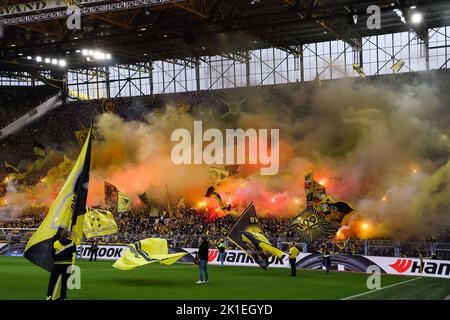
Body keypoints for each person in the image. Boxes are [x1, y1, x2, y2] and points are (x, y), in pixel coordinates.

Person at [46, 229, 76, 300]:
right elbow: (74, 251)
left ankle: (49, 295)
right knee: (64, 282)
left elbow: (52, 253)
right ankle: (63, 297)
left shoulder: (56, 242)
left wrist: (56, 259)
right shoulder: (72, 242)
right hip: (67, 264)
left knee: (52, 281)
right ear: (68, 235)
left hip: (57, 264)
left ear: (61, 234)